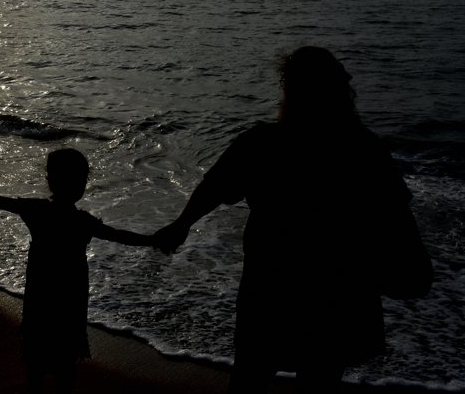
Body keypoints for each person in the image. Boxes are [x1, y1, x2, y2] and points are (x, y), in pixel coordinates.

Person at [154, 46, 427, 394]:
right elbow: (396, 214)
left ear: (290, 90)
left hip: (272, 284)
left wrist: (181, 225)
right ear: (341, 91)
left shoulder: (263, 143)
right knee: (321, 377)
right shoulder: (363, 147)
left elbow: (214, 187)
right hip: (339, 289)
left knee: (252, 375)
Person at [0, 148, 155, 394]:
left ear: (50, 180)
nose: (81, 184)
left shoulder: (38, 211)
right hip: (70, 299)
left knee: (35, 358)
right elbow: (120, 236)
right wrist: (155, 241)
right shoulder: (82, 221)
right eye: (80, 179)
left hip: (40, 294)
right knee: (66, 362)